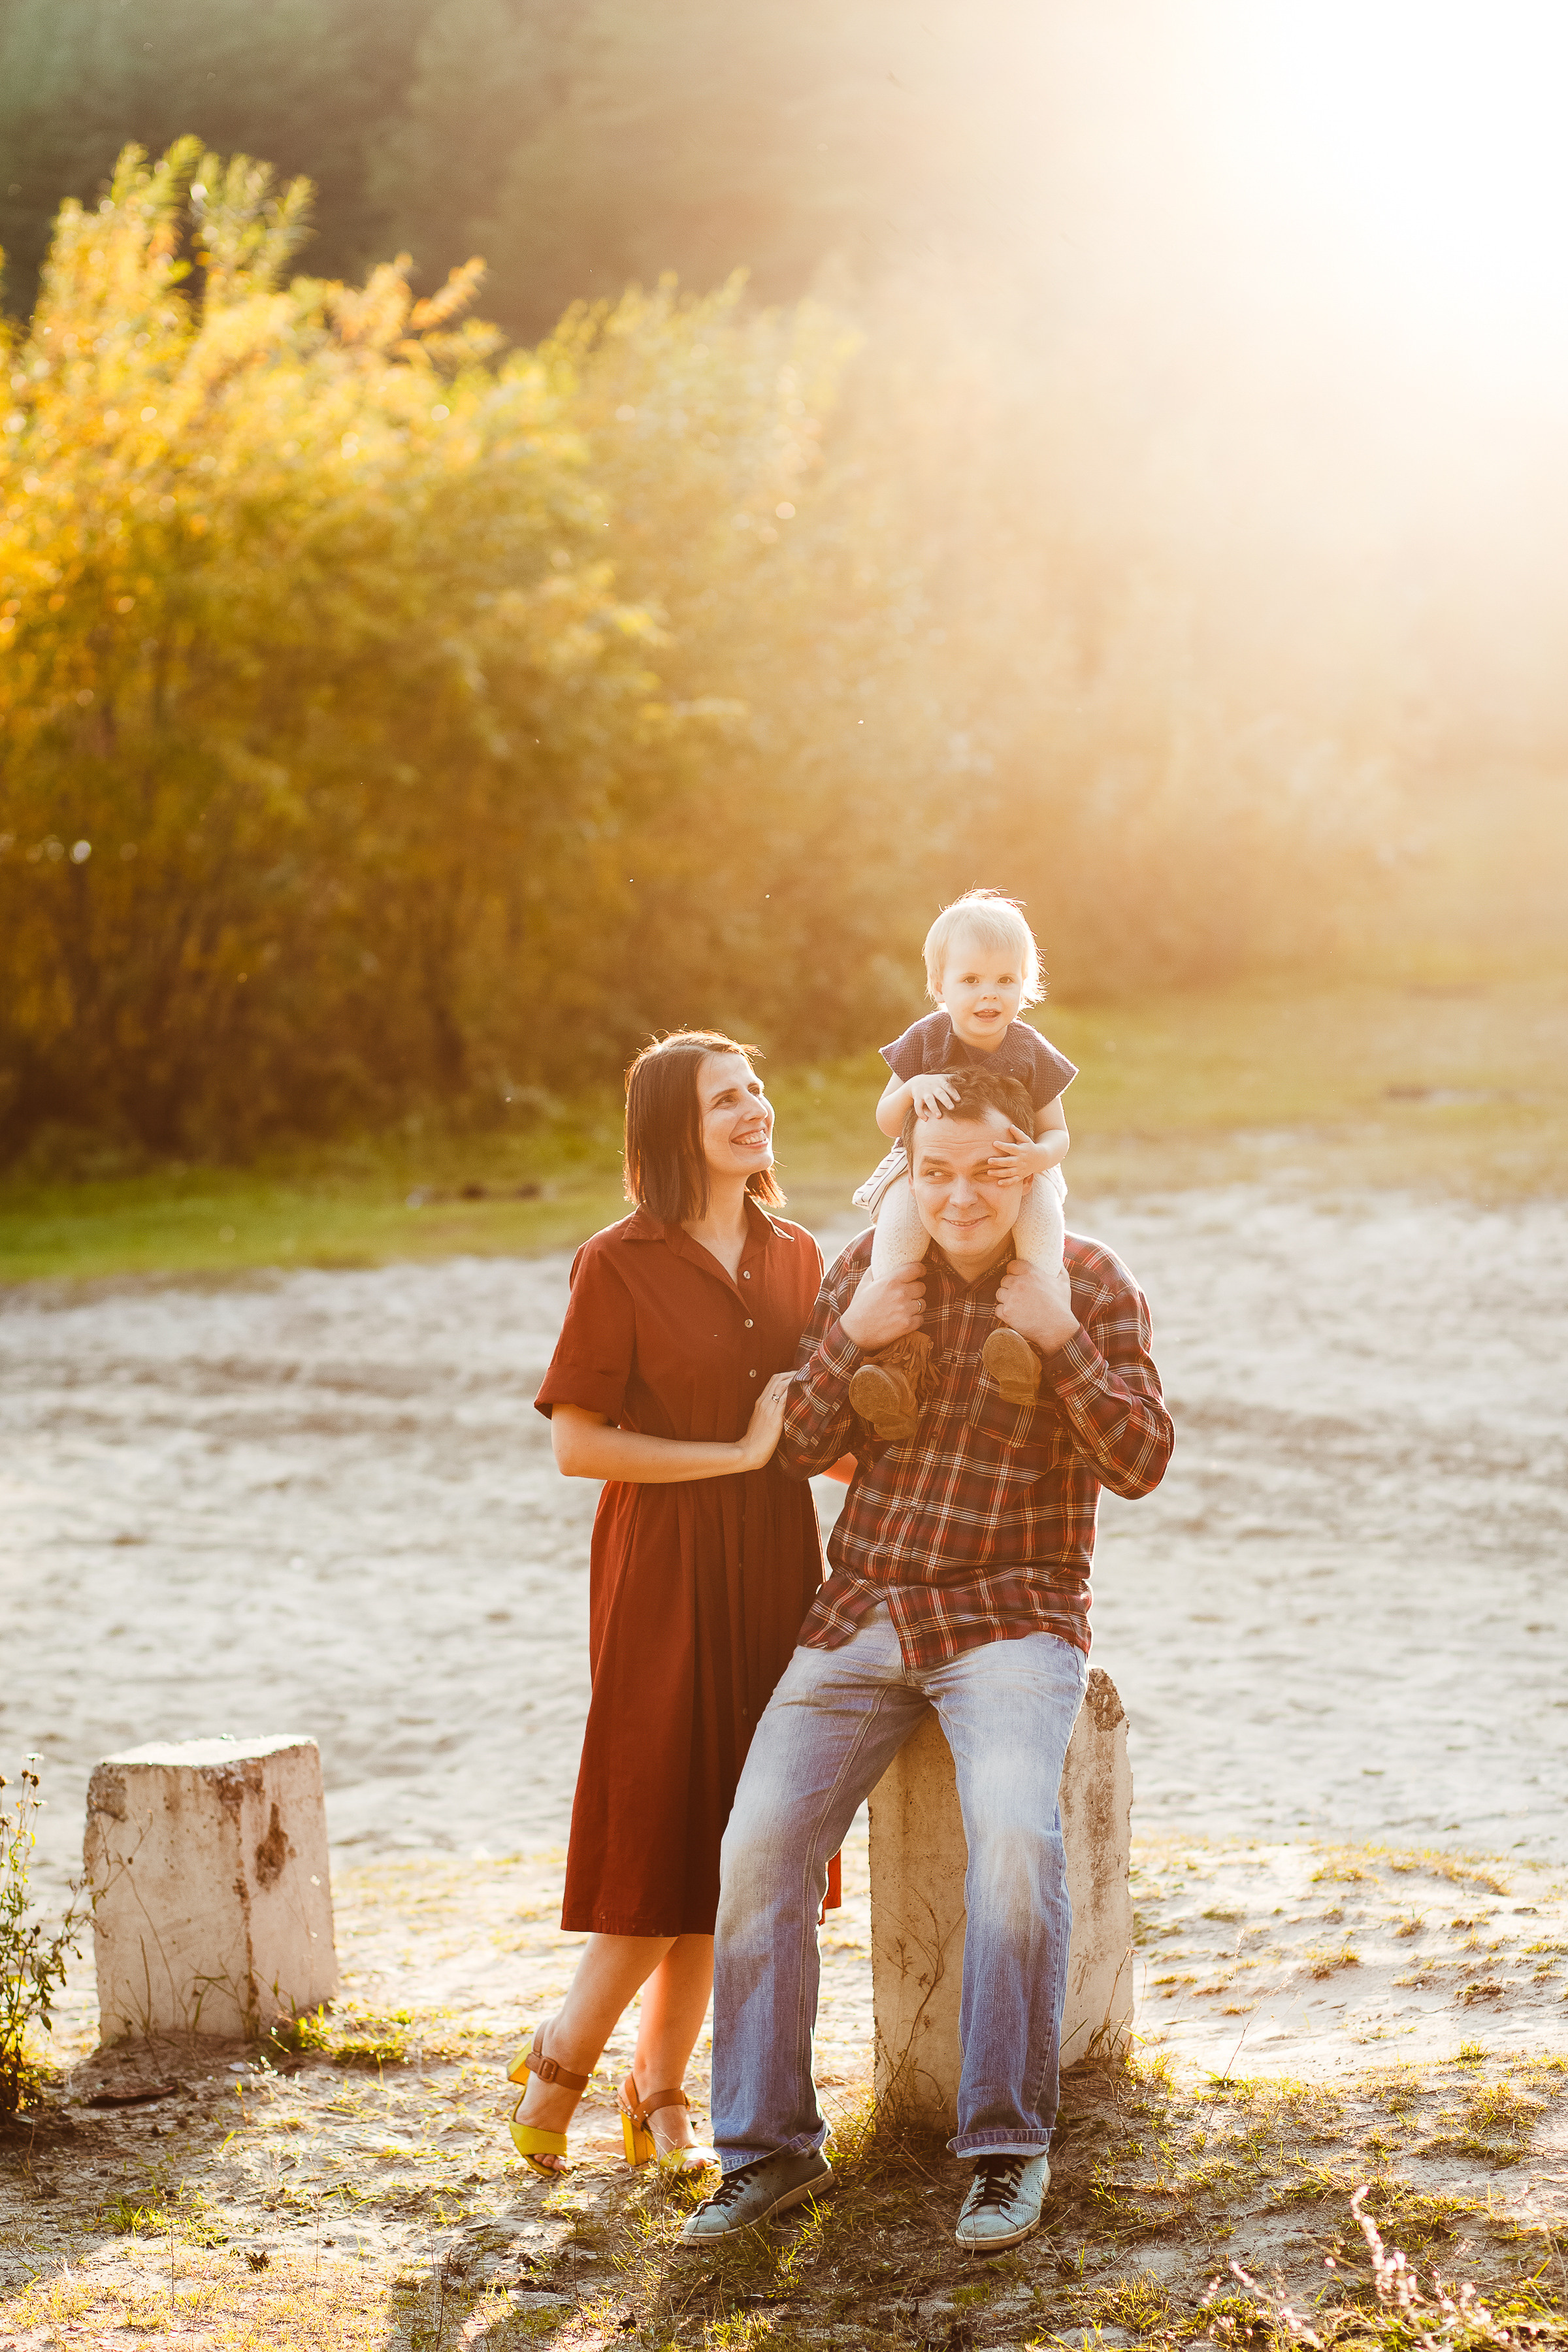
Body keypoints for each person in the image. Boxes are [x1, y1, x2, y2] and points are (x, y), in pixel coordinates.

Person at [680, 1062, 1174, 2251]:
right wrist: (852, 1337)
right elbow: (799, 1449)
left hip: (1013, 1616)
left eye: (989, 1172)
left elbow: (1144, 1459)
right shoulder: (869, 1271)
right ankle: (767, 2152)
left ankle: (1005, 2148)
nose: (962, 1197)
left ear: (1030, 1167)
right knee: (757, 1850)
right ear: (909, 1172)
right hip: (863, 1612)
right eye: (937, 1173)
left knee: (1013, 1839)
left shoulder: (1089, 1282)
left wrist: (1058, 1345)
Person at [514, 1030, 826, 2176]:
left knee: (738, 1843)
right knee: (661, 1837)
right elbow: (579, 1446)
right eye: (724, 1100)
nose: (755, 1110)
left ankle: (662, 2092)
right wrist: (738, 1454)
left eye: (757, 1088)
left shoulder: (796, 1253)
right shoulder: (617, 1261)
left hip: (775, 1569)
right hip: (662, 1569)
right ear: (672, 1131)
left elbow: (812, 1432)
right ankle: (564, 2053)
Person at [849, 890, 1077, 1439]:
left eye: (1005, 981)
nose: (989, 995)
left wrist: (1036, 1159)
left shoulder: (1030, 1051)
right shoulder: (925, 1042)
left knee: (1043, 1225)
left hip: (1013, 1169)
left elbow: (1058, 1133)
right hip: (924, 1171)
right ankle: (896, 1367)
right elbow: (885, 1119)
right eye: (971, 981)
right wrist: (914, 1088)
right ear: (940, 987)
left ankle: (1024, 1347)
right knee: (897, 1235)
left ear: (1026, 985)